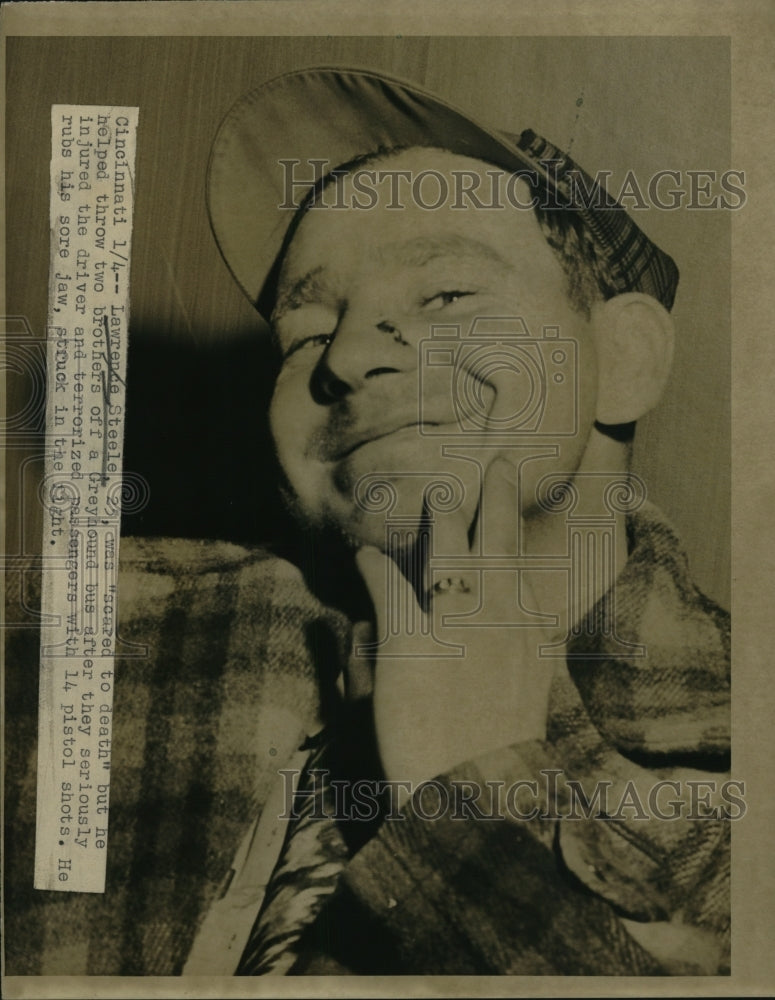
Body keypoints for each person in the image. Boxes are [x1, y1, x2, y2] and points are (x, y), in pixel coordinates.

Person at [190, 66, 732, 976]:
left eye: (444, 296)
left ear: (624, 357)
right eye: (307, 335)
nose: (350, 359)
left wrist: (472, 788)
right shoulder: (80, 649)